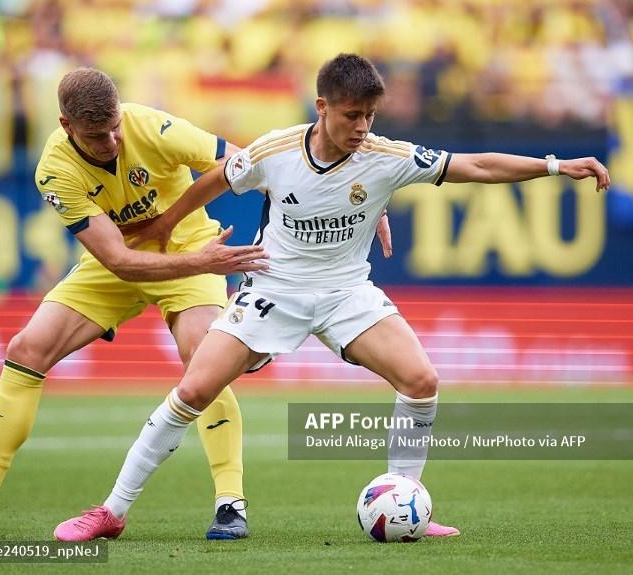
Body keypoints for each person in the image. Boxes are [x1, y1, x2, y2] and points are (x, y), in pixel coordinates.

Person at [54, 53, 611, 541]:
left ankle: (406, 501)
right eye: (352, 116)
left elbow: (477, 166)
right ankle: (111, 510)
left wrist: (556, 166)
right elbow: (220, 177)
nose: (362, 128)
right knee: (194, 388)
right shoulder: (275, 150)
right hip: (275, 287)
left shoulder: (386, 156)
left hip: (347, 293)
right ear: (323, 107)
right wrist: (166, 222)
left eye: (370, 116)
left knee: (422, 382)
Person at [0, 67, 270, 541]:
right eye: (98, 136)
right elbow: (119, 261)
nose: (113, 141)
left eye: (116, 126)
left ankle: (230, 505)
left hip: (188, 247)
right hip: (122, 263)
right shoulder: (54, 169)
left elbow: (247, 164)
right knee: (26, 348)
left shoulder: (153, 126)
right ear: (66, 125)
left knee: (203, 358)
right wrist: (205, 263)